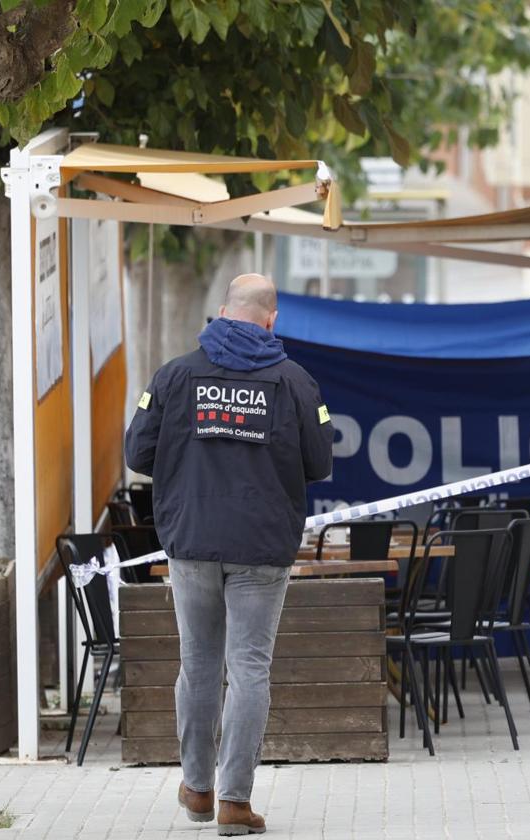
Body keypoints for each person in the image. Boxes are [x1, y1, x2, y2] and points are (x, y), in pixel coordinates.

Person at [125, 274, 333, 836]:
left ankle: (196, 789)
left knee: (197, 663)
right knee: (248, 668)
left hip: (191, 539)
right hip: (262, 546)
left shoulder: (175, 375)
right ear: (271, 320)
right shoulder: (294, 382)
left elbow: (136, 450)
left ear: (220, 313)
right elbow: (321, 461)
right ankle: (234, 804)